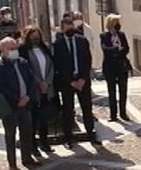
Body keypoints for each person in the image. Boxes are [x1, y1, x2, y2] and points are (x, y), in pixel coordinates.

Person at [0, 37, 41, 170]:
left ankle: (27, 157)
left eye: (15, 48)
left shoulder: (23, 62)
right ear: (2, 50)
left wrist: (28, 97)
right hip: (10, 106)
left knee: (26, 132)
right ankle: (12, 163)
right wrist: (16, 100)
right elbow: (0, 88)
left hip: (26, 104)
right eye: (11, 48)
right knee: (10, 135)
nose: (14, 51)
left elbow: (31, 81)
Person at [54, 18, 99, 146]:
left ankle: (91, 133)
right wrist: (71, 81)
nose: (69, 29)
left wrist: (83, 78)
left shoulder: (82, 41)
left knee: (87, 108)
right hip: (67, 82)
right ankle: (68, 137)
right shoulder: (58, 44)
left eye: (71, 26)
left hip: (82, 80)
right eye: (66, 27)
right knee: (68, 110)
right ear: (62, 29)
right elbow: (59, 64)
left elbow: (87, 60)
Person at [19, 25, 57, 155]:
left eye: (37, 36)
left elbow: (51, 65)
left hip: (47, 88)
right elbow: (27, 69)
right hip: (33, 89)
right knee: (34, 118)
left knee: (44, 117)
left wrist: (47, 82)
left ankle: (44, 142)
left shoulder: (44, 48)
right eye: (32, 36)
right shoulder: (23, 51)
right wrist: (39, 83)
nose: (35, 38)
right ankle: (33, 145)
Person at [100, 14, 131, 122]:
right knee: (111, 91)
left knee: (123, 90)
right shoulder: (104, 36)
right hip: (110, 67)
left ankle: (123, 112)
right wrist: (116, 50)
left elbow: (126, 48)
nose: (118, 25)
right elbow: (105, 49)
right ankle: (113, 115)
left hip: (121, 66)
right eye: (116, 22)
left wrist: (118, 52)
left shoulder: (121, 35)